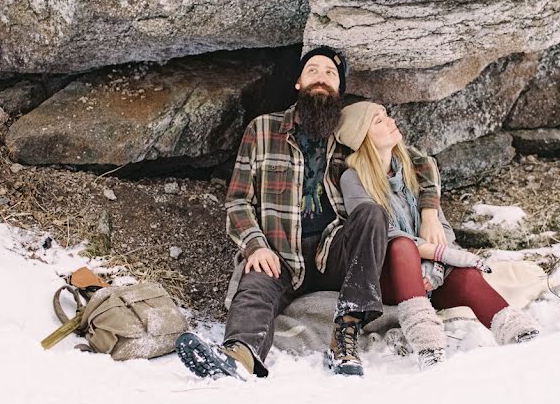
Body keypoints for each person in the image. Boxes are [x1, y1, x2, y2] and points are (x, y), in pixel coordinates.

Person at [176, 47, 445, 379]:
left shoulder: (349, 133)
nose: (322, 78)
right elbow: (238, 201)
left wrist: (430, 212)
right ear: (299, 83)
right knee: (255, 284)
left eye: (330, 74)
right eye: (313, 71)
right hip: (280, 252)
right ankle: (238, 358)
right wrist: (255, 246)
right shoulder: (262, 130)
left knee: (371, 214)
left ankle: (344, 337)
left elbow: (418, 161)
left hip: (335, 250)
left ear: (338, 90)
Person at [335, 101, 541, 370]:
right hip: (387, 277)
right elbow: (386, 234)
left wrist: (433, 269)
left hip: (426, 277)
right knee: (401, 246)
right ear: (362, 137)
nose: (390, 121)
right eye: (378, 121)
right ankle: (429, 347)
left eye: (386, 114)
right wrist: (441, 256)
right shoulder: (353, 178)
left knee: (467, 277)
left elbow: (442, 229)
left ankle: (520, 334)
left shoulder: (412, 170)